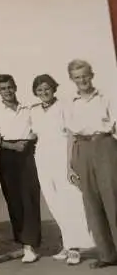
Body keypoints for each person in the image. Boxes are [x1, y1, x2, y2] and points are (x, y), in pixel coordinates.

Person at [30, 73, 93, 265]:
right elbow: (32, 134)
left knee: (71, 202)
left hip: (62, 157)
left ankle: (75, 248)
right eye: (39, 90)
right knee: (54, 203)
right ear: (35, 92)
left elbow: (72, 136)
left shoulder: (65, 105)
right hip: (42, 158)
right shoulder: (33, 111)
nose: (44, 92)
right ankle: (67, 243)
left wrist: (69, 165)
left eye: (47, 88)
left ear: (54, 88)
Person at [64, 60, 117, 269]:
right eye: (77, 77)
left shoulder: (106, 97)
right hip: (81, 150)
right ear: (72, 80)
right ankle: (107, 254)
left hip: (104, 146)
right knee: (91, 203)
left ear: (92, 75)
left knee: (112, 197)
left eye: (85, 75)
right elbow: (70, 134)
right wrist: (69, 165)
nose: (82, 80)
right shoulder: (70, 103)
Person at [0, 74, 41, 263]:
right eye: (3, 88)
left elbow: (37, 130)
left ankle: (30, 245)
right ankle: (24, 245)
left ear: (15, 87)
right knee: (15, 200)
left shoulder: (29, 109)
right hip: (8, 156)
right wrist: (12, 146)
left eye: (10, 87)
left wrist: (28, 140)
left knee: (30, 198)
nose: (7, 91)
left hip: (28, 155)